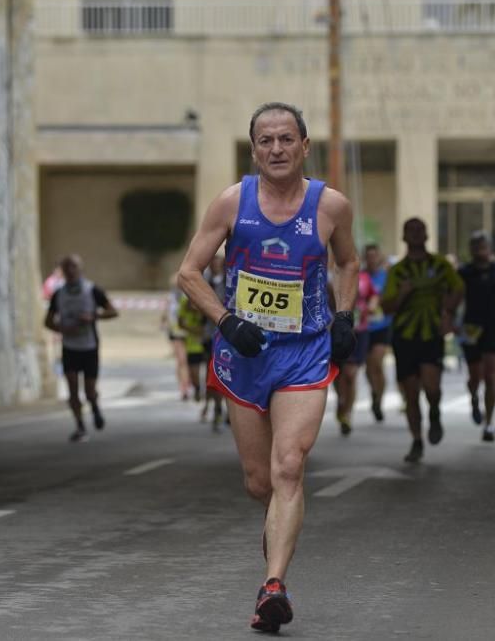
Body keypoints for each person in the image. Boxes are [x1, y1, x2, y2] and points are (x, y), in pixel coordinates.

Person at [177, 102, 358, 633]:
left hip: (304, 352)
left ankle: (273, 586)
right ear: (253, 148)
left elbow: (347, 261)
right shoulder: (233, 203)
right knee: (261, 483)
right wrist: (227, 320)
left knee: (288, 467)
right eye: (265, 141)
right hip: (245, 355)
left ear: (305, 146)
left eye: (286, 139)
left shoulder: (331, 207)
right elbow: (188, 273)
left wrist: (344, 316)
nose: (275, 149)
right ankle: (278, 530)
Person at [381, 217, 464, 463]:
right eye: (411, 231)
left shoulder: (440, 265)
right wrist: (403, 294)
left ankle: (435, 412)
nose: (416, 234)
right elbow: (386, 307)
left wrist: (448, 312)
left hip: (431, 335)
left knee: (431, 387)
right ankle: (417, 440)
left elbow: (458, 289)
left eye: (420, 230)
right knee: (411, 394)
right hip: (405, 337)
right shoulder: (397, 271)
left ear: (427, 235)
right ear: (404, 237)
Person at [44, 254, 119, 442]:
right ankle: (79, 425)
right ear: (62, 270)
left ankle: (94, 406)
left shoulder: (92, 290)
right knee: (72, 390)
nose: (70, 271)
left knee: (89, 390)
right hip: (69, 347)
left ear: (80, 269)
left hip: (89, 346)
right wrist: (62, 329)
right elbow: (47, 321)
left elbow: (113, 311)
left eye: (73, 267)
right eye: (66, 267)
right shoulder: (58, 294)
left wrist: (94, 317)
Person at [457, 232, 495, 443]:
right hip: (470, 327)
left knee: (492, 375)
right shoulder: (464, 271)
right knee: (475, 376)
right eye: (475, 247)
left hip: (493, 327)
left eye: (483, 246)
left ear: (489, 249)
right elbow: (455, 297)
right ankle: (474, 398)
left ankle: (489, 423)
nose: (479, 250)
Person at [330, 266, 375, 435]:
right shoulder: (329, 275)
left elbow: (373, 296)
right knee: (338, 374)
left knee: (351, 373)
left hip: (359, 330)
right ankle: (341, 402)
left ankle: (347, 413)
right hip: (335, 330)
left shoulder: (364, 277)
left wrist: (370, 307)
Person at [363, 244, 392, 422]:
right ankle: (374, 392)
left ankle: (379, 399)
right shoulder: (361, 275)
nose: (372, 259)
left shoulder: (386, 276)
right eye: (368, 256)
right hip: (364, 326)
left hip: (382, 325)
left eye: (375, 256)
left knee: (377, 363)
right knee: (368, 367)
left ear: (379, 257)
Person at [203, 255, 228, 430]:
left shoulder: (229, 281)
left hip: (229, 335)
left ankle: (228, 409)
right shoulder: (205, 283)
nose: (215, 266)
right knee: (212, 373)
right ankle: (216, 406)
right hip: (209, 334)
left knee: (230, 374)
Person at [162, 274, 192, 400]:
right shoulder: (170, 298)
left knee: (188, 361)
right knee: (181, 361)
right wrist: (164, 323)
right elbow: (165, 315)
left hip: (190, 332)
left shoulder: (189, 297)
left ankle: (189, 383)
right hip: (175, 332)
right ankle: (183, 387)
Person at [177, 292, 206, 403]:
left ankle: (203, 392)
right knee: (192, 372)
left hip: (203, 344)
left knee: (201, 371)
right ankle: (197, 388)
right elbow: (180, 322)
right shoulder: (184, 303)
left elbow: (204, 327)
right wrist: (191, 330)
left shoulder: (202, 303)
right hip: (190, 345)